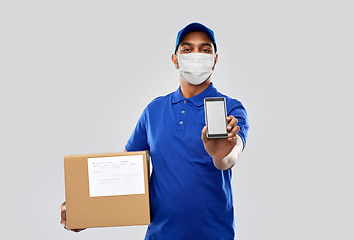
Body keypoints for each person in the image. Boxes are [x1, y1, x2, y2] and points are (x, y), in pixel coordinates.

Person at [60, 22, 249, 240]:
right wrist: (85, 211)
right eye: (187, 49)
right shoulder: (154, 111)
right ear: (175, 59)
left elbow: (230, 158)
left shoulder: (230, 108)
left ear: (215, 60)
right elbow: (126, 172)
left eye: (205, 50)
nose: (196, 55)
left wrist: (220, 154)